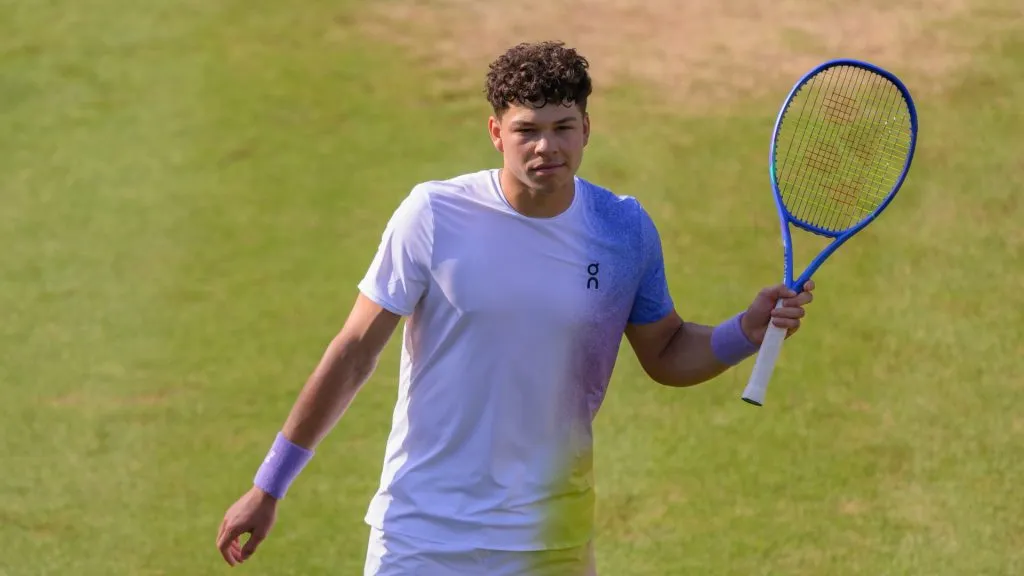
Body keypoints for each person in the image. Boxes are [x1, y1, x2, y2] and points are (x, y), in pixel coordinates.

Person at [215, 40, 815, 575]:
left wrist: (746, 330)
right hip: (422, 535)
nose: (546, 147)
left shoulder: (622, 228)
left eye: (563, 127)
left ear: (586, 129)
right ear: (496, 132)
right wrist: (269, 486)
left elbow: (664, 350)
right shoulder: (432, 216)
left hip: (549, 539)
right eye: (528, 129)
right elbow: (351, 354)